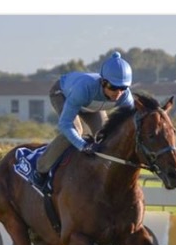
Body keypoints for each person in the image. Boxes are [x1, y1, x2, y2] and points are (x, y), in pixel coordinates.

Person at [34, 52, 134, 188]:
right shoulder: (84, 88)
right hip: (62, 94)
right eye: (114, 87)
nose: (118, 93)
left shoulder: (125, 97)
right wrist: (83, 145)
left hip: (89, 105)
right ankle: (41, 169)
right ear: (103, 82)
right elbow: (65, 124)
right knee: (76, 130)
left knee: (105, 135)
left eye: (123, 88)